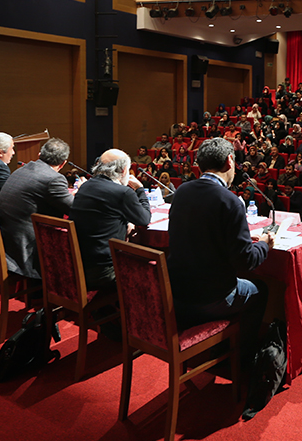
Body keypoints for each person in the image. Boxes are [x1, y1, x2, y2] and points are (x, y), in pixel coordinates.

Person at [166, 138, 273, 362]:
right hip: (211, 298)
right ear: (229, 161)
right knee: (260, 290)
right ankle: (242, 357)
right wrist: (264, 243)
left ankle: (222, 344)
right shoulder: (230, 201)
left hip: (177, 293)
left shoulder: (182, 192)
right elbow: (246, 262)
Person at [69, 149, 151, 289]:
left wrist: (124, 224)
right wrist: (140, 189)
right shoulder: (123, 192)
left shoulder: (86, 186)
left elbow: (104, 217)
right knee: (147, 269)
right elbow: (144, 219)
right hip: (104, 272)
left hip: (78, 265)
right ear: (124, 170)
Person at [0, 138, 74, 280]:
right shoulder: (53, 179)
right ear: (63, 163)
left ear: (39, 155)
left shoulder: (23, 169)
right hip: (25, 248)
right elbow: (74, 209)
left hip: (5, 239)